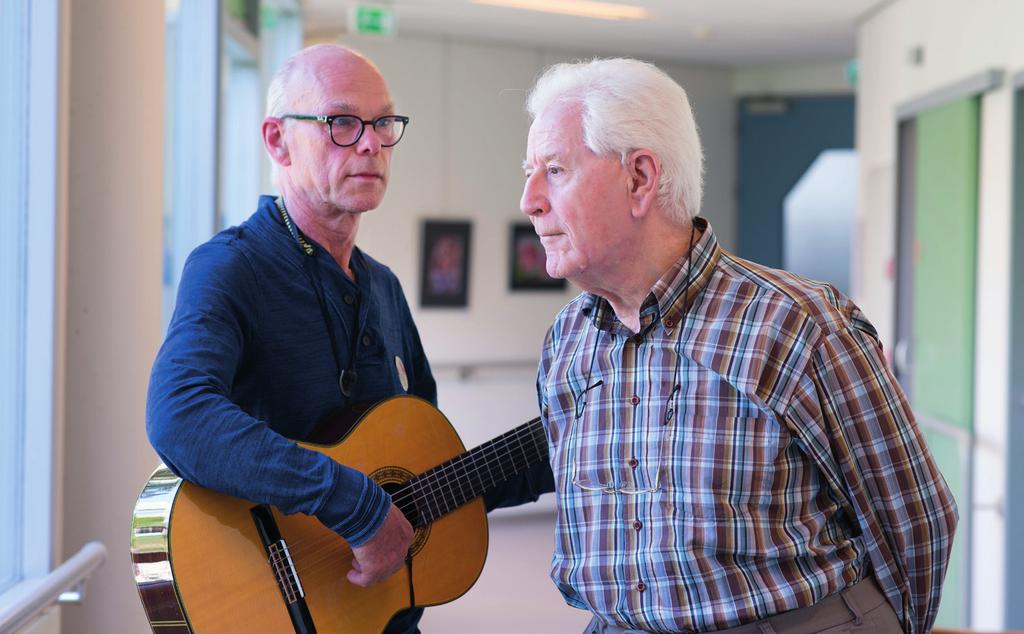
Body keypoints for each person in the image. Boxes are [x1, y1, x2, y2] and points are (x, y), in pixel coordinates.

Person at [520, 58, 957, 634]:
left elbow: (916, 520)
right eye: (530, 173)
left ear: (640, 179)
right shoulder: (568, 342)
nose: (529, 200)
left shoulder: (798, 323)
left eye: (554, 170)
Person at [147, 44, 550, 634]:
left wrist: (570, 446)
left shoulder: (383, 288)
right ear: (277, 141)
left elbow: (428, 480)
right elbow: (179, 414)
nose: (370, 144)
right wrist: (356, 506)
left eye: (383, 123)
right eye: (341, 123)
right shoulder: (231, 267)